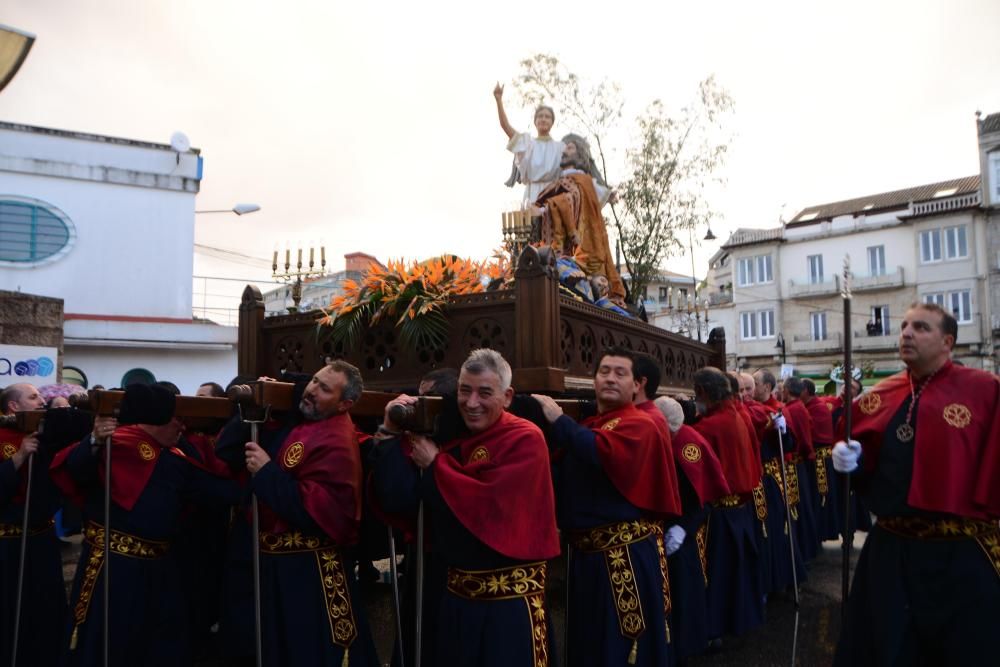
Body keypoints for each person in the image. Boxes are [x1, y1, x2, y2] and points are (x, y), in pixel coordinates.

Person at [832, 302, 1000, 666]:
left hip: (959, 550)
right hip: (892, 551)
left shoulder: (985, 390)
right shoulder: (882, 395)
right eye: (905, 326)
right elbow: (867, 466)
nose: (907, 333)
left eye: (921, 327)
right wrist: (849, 461)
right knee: (886, 647)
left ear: (947, 341)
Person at [373, 349, 560, 666]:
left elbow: (489, 506)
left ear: (507, 396)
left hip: (508, 603)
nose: (471, 403)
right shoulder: (451, 436)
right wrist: (391, 431)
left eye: (485, 393)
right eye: (464, 390)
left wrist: (436, 465)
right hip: (457, 600)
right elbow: (401, 498)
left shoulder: (525, 438)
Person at [50, 383, 242, 666]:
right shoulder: (112, 444)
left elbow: (216, 490)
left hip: (160, 571)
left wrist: (264, 474)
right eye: (177, 418)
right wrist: (94, 440)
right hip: (113, 569)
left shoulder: (176, 455)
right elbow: (77, 470)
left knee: (160, 645)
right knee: (108, 642)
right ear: (156, 419)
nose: (182, 425)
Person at [533, 347, 680, 667]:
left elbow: (599, 454)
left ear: (635, 386)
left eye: (620, 373)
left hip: (622, 558)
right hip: (589, 558)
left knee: (620, 647)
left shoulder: (641, 423)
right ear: (594, 380)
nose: (611, 378)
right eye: (604, 371)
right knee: (591, 644)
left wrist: (558, 420)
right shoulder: (595, 423)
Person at [240, 361, 378, 667]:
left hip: (313, 572)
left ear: (345, 403)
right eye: (315, 381)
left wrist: (266, 473)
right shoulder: (309, 424)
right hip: (283, 568)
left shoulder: (336, 440)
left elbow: (317, 510)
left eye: (324, 388)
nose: (312, 390)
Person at [652, 395, 731, 661]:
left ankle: (686, 646)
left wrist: (683, 528)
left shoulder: (686, 444)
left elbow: (702, 496)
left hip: (682, 529)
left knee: (684, 592)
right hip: (668, 526)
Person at [691, 367, 765, 639]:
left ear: (702, 392)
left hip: (720, 514)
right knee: (737, 572)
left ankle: (715, 628)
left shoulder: (709, 426)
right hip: (740, 509)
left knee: (719, 574)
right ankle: (737, 621)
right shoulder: (737, 415)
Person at [1, 383, 66, 667]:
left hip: (41, 541)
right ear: (13, 406)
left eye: (41, 395)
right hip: (6, 546)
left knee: (45, 610)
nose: (42, 400)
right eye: (33, 396)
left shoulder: (46, 434)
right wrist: (18, 457)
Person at [534, 135, 625, 305]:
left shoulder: (583, 181)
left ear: (580, 155)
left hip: (582, 249)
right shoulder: (563, 181)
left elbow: (574, 201)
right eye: (564, 148)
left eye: (570, 148)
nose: (565, 151)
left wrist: (547, 208)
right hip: (568, 246)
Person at [494, 83, 564, 205]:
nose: (543, 119)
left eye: (547, 117)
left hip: (555, 198)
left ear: (552, 122)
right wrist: (499, 100)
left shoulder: (561, 147)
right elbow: (506, 128)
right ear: (535, 121)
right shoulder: (527, 144)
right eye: (540, 116)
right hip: (533, 197)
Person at [802, 378, 840, 542]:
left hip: (820, 461)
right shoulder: (811, 406)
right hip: (816, 459)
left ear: (805, 391)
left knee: (820, 496)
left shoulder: (817, 407)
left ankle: (820, 532)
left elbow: (813, 432)